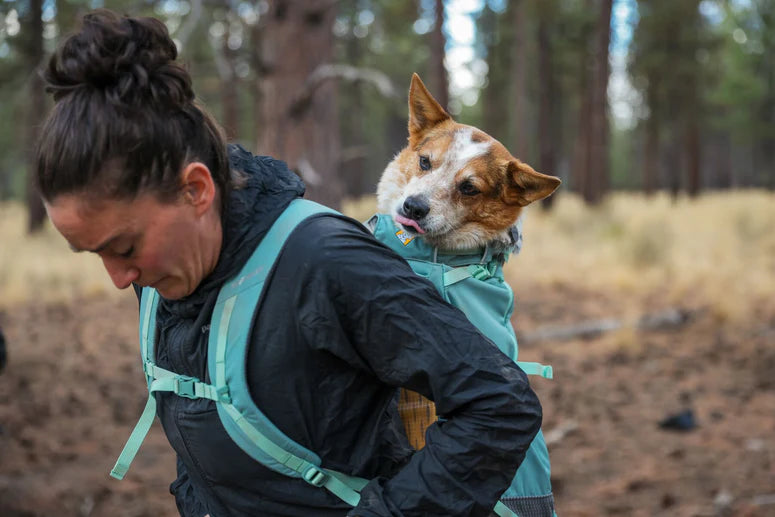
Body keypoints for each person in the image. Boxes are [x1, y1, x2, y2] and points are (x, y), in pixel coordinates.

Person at [36, 9, 542, 517]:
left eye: (123, 249)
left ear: (196, 190)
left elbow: (500, 406)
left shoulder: (328, 264)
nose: (119, 278)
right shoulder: (164, 270)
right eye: (92, 251)